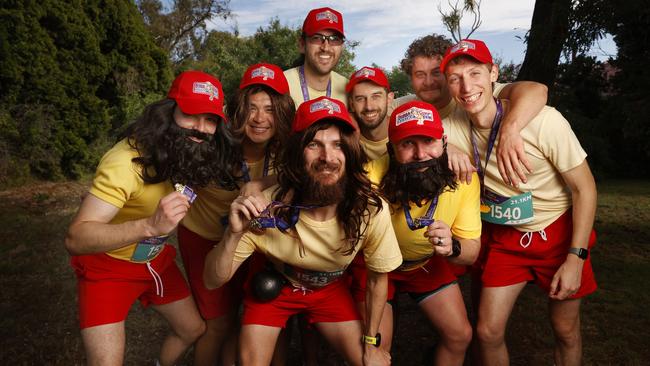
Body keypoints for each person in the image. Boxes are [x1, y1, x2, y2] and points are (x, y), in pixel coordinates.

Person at [204, 96, 403, 366]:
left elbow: (378, 281)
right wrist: (233, 234)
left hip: (329, 290)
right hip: (278, 285)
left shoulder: (370, 209)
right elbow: (212, 280)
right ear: (298, 152)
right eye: (314, 145)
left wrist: (371, 343)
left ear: (350, 151)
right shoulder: (265, 207)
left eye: (337, 145)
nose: (327, 158)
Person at [65, 71, 239, 365]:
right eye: (191, 114)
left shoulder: (189, 152)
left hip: (155, 261)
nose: (200, 128)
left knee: (193, 329)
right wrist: (148, 226)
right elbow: (76, 237)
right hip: (108, 268)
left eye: (210, 120)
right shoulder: (124, 162)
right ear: (167, 112)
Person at [440, 39, 598, 366]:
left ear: (493, 73)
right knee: (487, 331)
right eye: (455, 78)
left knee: (565, 330)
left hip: (557, 233)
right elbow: (399, 132)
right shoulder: (451, 124)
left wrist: (576, 257)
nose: (466, 86)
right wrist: (445, 148)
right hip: (506, 237)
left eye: (475, 73)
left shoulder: (544, 121)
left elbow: (585, 189)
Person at [177, 63, 294, 366]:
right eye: (252, 108)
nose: (259, 119)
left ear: (280, 112)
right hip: (204, 237)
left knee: (255, 317)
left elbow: (299, 175)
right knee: (218, 323)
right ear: (239, 109)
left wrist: (260, 182)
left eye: (269, 109)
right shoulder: (213, 141)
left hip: (255, 240)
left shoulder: (286, 146)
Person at [351, 100, 481, 365]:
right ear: (391, 149)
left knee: (460, 335)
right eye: (408, 144)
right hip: (375, 267)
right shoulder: (369, 176)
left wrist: (453, 247)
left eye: (428, 141)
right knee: (377, 347)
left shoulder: (464, 177)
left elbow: (471, 251)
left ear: (444, 143)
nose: (420, 154)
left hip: (423, 265)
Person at [396, 34, 549, 186]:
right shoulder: (404, 109)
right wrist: (445, 146)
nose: (429, 82)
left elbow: (537, 90)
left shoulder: (477, 95)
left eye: (436, 73)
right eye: (420, 75)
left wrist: (509, 128)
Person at [284, 7, 349, 108]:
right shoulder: (282, 84)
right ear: (302, 45)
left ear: (342, 47)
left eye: (335, 39)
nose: (326, 47)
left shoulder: (348, 88)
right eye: (317, 38)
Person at [346, 66, 393, 161]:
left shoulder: (404, 131)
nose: (369, 107)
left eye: (376, 97)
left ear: (389, 99)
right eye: (360, 99)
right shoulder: (346, 136)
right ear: (351, 104)